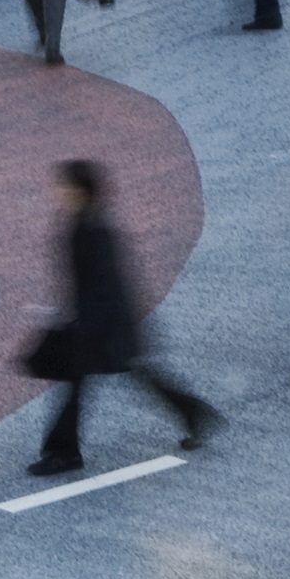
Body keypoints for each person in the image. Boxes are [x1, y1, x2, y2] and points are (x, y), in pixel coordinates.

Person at [32, 158, 220, 475]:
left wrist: (80, 324)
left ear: (81, 191)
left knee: (87, 381)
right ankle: (194, 414)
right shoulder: (83, 222)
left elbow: (104, 284)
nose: (59, 192)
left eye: (65, 187)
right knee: (133, 377)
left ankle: (64, 453)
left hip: (102, 327)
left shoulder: (92, 229)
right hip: (105, 325)